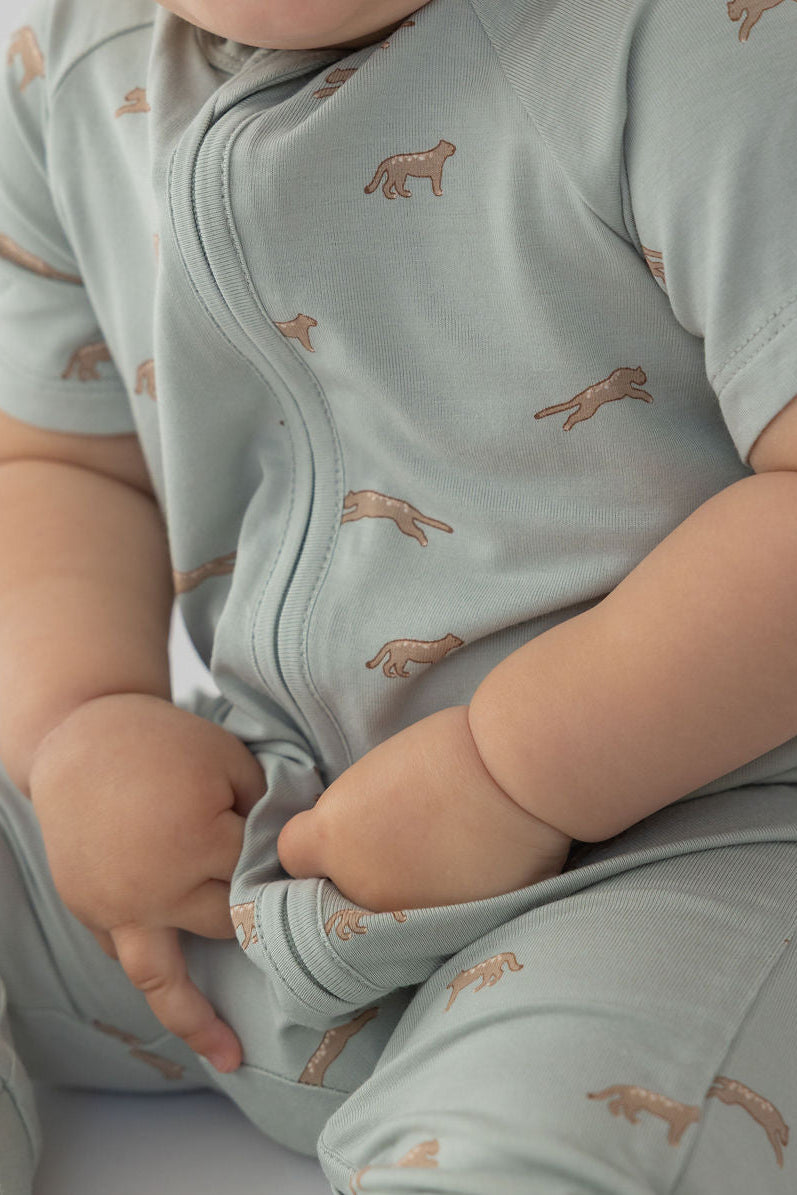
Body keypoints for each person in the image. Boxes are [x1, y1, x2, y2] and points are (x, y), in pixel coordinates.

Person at [0, 0, 796, 1190]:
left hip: (673, 845)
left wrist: (512, 766)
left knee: (538, 1153)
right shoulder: (65, 54)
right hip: (240, 830)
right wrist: (80, 723)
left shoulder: (699, 42)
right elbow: (61, 460)